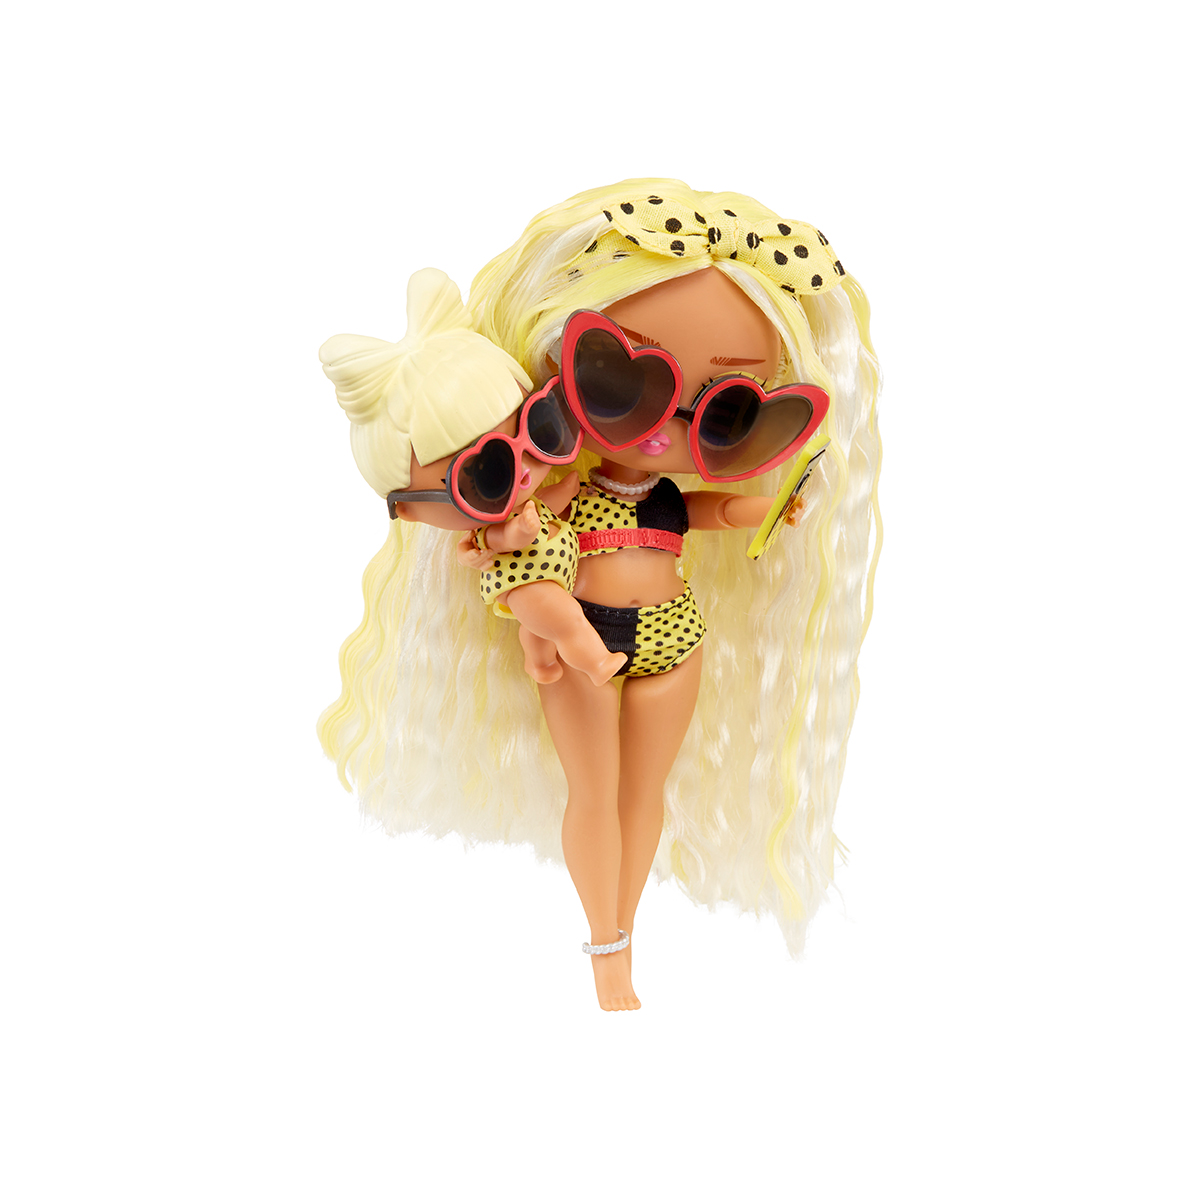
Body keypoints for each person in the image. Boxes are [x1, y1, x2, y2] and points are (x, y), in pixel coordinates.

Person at [319, 180, 882, 1011]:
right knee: (595, 793)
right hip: (590, 639)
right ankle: (606, 950)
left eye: (729, 417)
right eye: (619, 381)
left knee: (640, 796)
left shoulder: (661, 497)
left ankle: (624, 928)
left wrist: (777, 504)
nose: (664, 431)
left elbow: (715, 511)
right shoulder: (555, 495)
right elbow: (517, 554)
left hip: (674, 641)